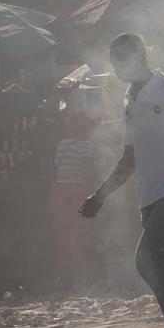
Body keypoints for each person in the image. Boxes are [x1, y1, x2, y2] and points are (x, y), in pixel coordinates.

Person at [79, 33, 164, 328]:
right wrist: (100, 195)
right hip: (148, 197)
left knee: (145, 258)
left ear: (136, 58)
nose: (117, 69)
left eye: (119, 61)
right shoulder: (129, 99)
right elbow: (128, 158)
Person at [48, 106, 101, 292]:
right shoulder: (85, 145)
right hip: (77, 191)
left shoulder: (62, 144)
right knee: (79, 233)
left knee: (62, 235)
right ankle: (84, 275)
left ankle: (63, 277)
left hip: (58, 192)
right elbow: (88, 171)